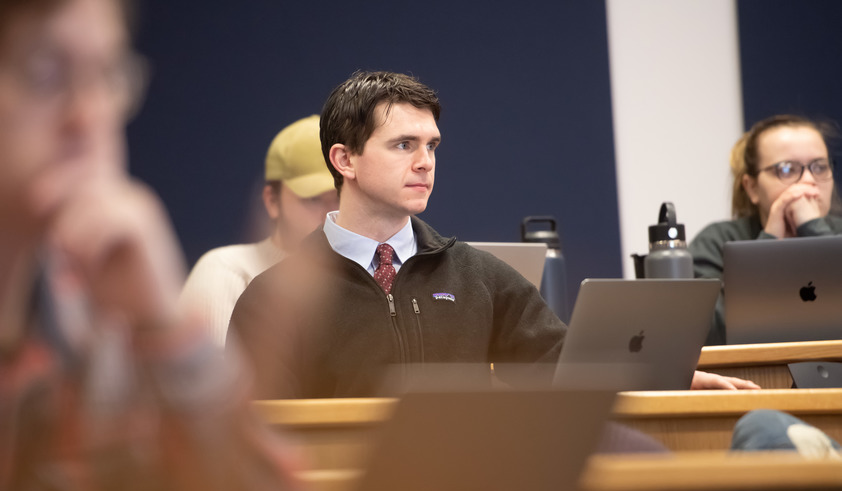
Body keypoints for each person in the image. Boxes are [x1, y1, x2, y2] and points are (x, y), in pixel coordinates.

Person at [229, 70, 757, 399]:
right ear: (344, 159)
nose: (425, 163)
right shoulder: (273, 298)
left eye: (432, 146)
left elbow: (564, 367)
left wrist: (667, 377)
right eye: (403, 145)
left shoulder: (477, 275)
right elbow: (257, 436)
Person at [0, 0, 321, 491]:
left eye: (106, 75)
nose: (88, 114)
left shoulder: (99, 312)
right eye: (44, 71)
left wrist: (163, 325)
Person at [181, 115, 338, 347]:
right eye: (312, 199)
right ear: (272, 201)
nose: (330, 214)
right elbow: (211, 383)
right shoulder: (226, 273)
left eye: (343, 197)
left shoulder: (375, 279)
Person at [690, 114, 842, 345]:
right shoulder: (716, 241)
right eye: (787, 169)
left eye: (820, 167)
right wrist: (769, 242)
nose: (809, 180)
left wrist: (813, 228)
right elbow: (707, 334)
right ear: (751, 188)